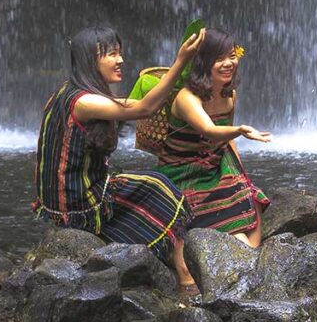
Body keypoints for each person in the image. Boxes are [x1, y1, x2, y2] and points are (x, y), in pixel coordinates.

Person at [32, 26, 204, 287]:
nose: (120, 60)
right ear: (91, 60)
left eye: (120, 53)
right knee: (161, 187)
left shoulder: (65, 91)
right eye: (111, 54)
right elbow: (145, 108)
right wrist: (180, 63)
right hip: (79, 202)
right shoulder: (84, 102)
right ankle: (184, 276)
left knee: (134, 182)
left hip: (58, 198)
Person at [134, 28, 271, 248]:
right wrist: (241, 129)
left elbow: (226, 139)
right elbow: (209, 130)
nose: (228, 64)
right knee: (214, 217)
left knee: (252, 197)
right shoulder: (187, 97)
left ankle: (253, 256)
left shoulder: (229, 95)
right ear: (204, 63)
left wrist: (240, 177)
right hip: (182, 171)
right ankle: (241, 256)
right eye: (219, 59)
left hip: (215, 167)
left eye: (232, 57)